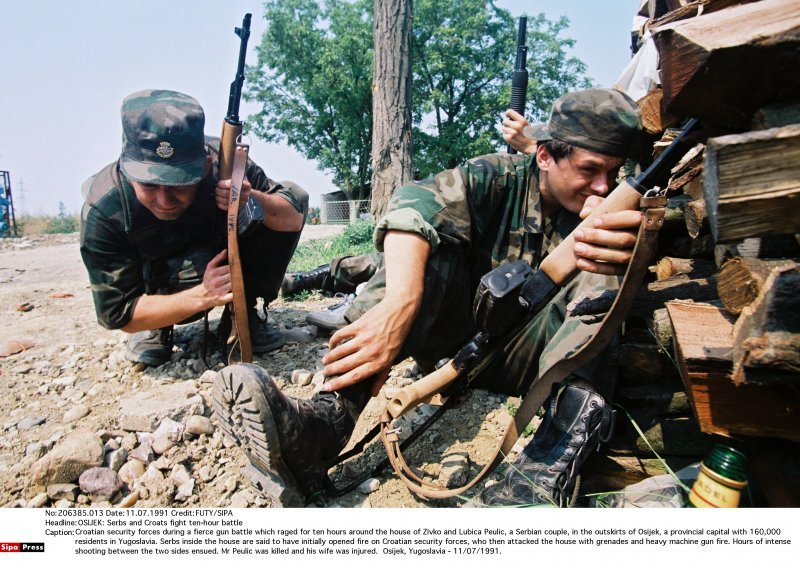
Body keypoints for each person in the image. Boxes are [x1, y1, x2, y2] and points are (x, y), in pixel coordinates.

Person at [212, 88, 642, 507]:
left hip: (540, 361)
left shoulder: (614, 207)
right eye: (590, 169)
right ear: (545, 155)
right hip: (455, 346)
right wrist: (401, 301)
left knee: (605, 266)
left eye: (614, 172)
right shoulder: (495, 177)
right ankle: (325, 424)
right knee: (420, 256)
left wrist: (631, 242)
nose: (603, 186)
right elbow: (412, 206)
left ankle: (544, 468)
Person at [80, 89, 308, 366]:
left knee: (288, 198)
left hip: (220, 267)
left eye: (179, 183)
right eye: (149, 185)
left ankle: (242, 313)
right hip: (164, 287)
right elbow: (118, 313)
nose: (164, 200)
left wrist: (249, 200)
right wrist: (202, 296)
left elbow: (292, 216)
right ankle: (156, 327)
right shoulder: (104, 207)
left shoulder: (226, 164)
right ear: (127, 172)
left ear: (205, 166)